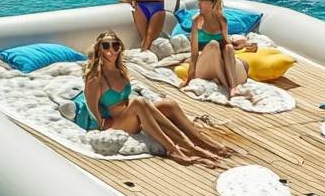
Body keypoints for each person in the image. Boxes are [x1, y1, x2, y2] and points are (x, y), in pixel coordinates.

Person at [82, 30, 232, 166]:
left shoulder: (120, 70)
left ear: (120, 48)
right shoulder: (95, 78)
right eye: (106, 46)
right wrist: (101, 125)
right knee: (139, 102)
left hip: (130, 117)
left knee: (169, 104)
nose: (111, 50)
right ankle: (175, 149)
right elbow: (91, 108)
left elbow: (126, 99)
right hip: (115, 125)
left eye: (115, 46)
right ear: (99, 49)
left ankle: (202, 142)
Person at [181, 0, 257, 99]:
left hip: (220, 64)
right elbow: (194, 54)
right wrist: (189, 80)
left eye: (202, 0)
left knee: (228, 48)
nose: (198, 3)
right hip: (205, 65)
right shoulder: (196, 20)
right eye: (199, 0)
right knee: (213, 44)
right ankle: (228, 87)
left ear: (211, 4)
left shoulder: (222, 20)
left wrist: (241, 46)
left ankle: (233, 88)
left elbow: (226, 43)